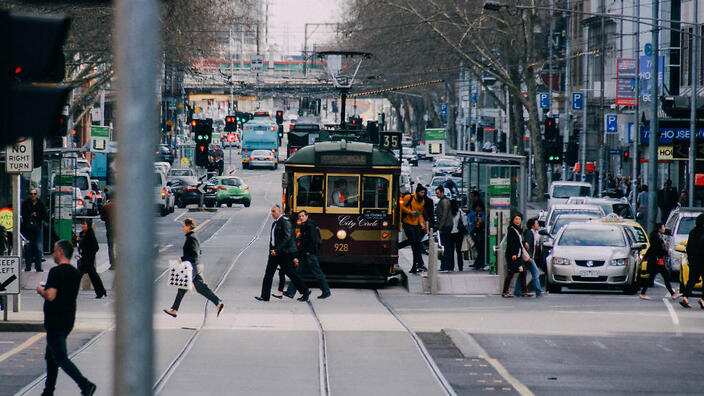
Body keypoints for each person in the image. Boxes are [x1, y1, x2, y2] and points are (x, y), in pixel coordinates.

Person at [37, 240, 96, 396]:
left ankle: (85, 384)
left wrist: (40, 290)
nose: (53, 254)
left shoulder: (56, 272)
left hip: (55, 320)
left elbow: (50, 295)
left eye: (55, 251)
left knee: (60, 357)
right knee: (51, 357)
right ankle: (48, 391)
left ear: (61, 252)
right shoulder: (75, 273)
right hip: (68, 318)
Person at [164, 219, 224, 317]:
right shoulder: (192, 237)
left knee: (182, 287)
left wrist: (182, 259)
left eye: (184, 226)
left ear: (189, 226)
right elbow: (199, 252)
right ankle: (218, 303)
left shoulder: (191, 238)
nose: (182, 228)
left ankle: (174, 310)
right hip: (196, 266)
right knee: (201, 288)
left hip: (192, 266)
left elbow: (195, 253)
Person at [256, 205, 310, 302]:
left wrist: (277, 250)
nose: (272, 213)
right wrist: (272, 250)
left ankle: (305, 292)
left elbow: (287, 237)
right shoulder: (274, 223)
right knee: (268, 274)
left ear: (280, 211)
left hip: (284, 253)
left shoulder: (285, 221)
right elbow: (273, 239)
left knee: (291, 273)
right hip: (274, 253)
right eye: (271, 211)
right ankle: (264, 296)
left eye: (274, 211)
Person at [282, 210, 331, 299]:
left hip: (309, 254)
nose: (301, 217)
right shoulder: (305, 225)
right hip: (305, 253)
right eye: (299, 216)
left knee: (317, 273)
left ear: (307, 216)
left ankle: (326, 291)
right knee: (297, 272)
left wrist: (308, 251)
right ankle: (290, 292)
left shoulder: (310, 226)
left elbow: (312, 240)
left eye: (302, 216)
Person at [640, 223, 678, 300]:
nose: (664, 228)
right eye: (663, 227)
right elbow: (656, 249)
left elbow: (651, 248)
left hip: (655, 260)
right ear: (659, 228)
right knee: (665, 276)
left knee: (651, 277)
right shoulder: (655, 237)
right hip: (656, 260)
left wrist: (645, 257)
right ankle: (673, 294)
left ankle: (643, 293)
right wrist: (666, 252)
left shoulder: (656, 235)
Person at [398, 184, 428, 274]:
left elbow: (420, 214)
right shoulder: (408, 197)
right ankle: (417, 265)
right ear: (417, 192)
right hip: (407, 223)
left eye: (424, 193)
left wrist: (422, 224)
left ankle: (416, 265)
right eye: (422, 192)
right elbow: (401, 207)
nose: (423, 194)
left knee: (416, 244)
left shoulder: (422, 202)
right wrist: (410, 212)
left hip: (416, 225)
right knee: (414, 243)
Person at [513, 218, 544, 297]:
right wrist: (529, 257)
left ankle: (517, 291)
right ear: (533, 226)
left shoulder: (533, 233)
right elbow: (526, 246)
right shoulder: (530, 233)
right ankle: (538, 291)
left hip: (527, 257)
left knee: (523, 274)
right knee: (536, 273)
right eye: (537, 224)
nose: (538, 225)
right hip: (528, 258)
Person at [75, 219, 106, 299]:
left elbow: (96, 247)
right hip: (84, 258)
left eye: (84, 224)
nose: (83, 226)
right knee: (92, 275)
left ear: (88, 225)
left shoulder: (90, 234)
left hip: (88, 259)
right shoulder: (82, 234)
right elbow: (79, 245)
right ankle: (101, 291)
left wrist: (89, 253)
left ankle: (71, 291)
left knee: (80, 275)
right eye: (82, 224)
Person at [680, 213, 704, 309]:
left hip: (693, 261)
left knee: (691, 280)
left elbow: (688, 248)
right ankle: (702, 299)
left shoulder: (692, 232)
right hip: (702, 260)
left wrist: (690, 260)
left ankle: (685, 298)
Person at [21, 189, 49, 272]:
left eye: (34, 193)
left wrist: (37, 215)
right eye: (31, 193)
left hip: (37, 227)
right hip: (27, 228)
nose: (33, 195)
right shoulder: (25, 203)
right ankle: (28, 266)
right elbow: (23, 215)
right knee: (28, 247)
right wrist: (30, 215)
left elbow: (45, 216)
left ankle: (38, 267)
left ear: (37, 194)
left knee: (38, 247)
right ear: (29, 194)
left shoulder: (40, 203)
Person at [502, 213, 526, 298]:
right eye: (516, 219)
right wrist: (514, 254)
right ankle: (505, 292)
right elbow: (511, 243)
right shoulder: (511, 229)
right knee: (511, 273)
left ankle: (523, 291)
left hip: (518, 255)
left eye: (519, 219)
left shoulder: (519, 229)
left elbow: (519, 242)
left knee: (523, 271)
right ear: (513, 220)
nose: (518, 221)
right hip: (513, 255)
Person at [436, 186, 454, 272]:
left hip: (446, 226)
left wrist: (440, 227)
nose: (437, 194)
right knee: (446, 246)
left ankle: (447, 265)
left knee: (445, 246)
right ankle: (446, 265)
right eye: (436, 193)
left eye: (438, 193)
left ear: (442, 192)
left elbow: (444, 215)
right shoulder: (443, 201)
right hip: (446, 226)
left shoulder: (445, 201)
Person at [449, 200, 469, 271]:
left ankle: (451, 267)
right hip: (459, 234)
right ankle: (460, 267)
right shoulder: (460, 212)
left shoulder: (448, 212)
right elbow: (465, 222)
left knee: (451, 251)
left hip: (450, 233)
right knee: (459, 252)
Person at [99, 190, 116, 269]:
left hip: (109, 228)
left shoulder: (106, 206)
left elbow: (102, 218)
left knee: (110, 246)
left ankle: (113, 264)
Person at [471, 205, 486, 270]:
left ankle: (479, 264)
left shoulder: (481, 214)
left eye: (477, 206)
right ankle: (478, 263)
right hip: (479, 234)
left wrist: (478, 223)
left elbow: (479, 224)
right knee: (480, 250)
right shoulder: (478, 214)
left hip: (480, 234)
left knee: (480, 250)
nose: (476, 208)